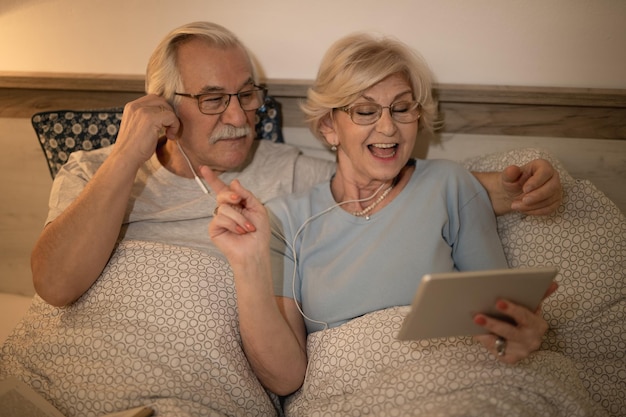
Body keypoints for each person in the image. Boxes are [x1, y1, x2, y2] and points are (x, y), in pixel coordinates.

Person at [21, 21, 559, 415]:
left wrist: (518, 186)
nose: (238, 117)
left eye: (247, 95)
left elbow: (387, 182)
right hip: (68, 368)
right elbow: (55, 284)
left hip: (196, 394)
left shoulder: (290, 177)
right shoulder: (95, 170)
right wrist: (125, 157)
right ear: (162, 104)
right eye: (212, 99)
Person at [205, 32, 559, 397]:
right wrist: (248, 266)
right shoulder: (284, 221)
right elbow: (286, 379)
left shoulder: (449, 184)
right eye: (365, 111)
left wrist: (516, 336)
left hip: (457, 387)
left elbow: (500, 318)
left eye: (402, 108)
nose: (389, 127)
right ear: (329, 126)